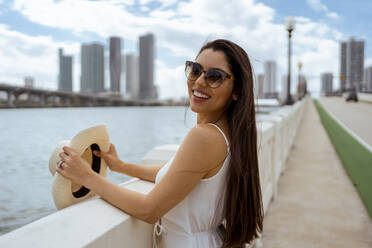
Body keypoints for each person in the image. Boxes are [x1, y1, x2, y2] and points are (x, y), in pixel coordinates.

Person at [56, 39, 263, 248]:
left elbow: (149, 210)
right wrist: (122, 167)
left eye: (214, 77)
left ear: (236, 90)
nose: (199, 82)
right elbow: (176, 174)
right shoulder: (229, 132)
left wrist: (86, 176)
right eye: (196, 70)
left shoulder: (204, 136)